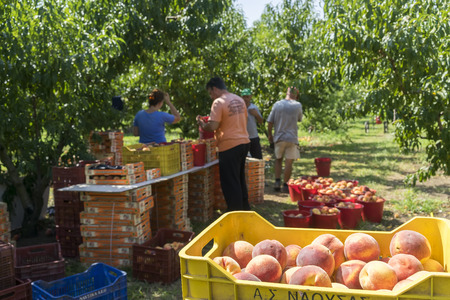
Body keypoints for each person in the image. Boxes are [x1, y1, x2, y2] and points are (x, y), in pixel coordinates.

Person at [197, 77, 251, 212]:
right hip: (244, 142)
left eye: (210, 93)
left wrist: (203, 124)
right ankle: (245, 210)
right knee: (239, 179)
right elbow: (244, 119)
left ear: (215, 89)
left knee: (230, 183)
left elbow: (213, 126)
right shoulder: (239, 99)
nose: (211, 96)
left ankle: (235, 213)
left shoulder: (218, 102)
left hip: (229, 145)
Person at [267, 86, 303, 193]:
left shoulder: (278, 104)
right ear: (296, 95)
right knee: (289, 162)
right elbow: (299, 119)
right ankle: (286, 185)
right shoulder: (297, 105)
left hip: (279, 137)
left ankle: (277, 181)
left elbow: (270, 121)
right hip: (292, 138)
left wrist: (270, 135)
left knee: (278, 159)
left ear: (286, 93)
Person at [241, 88, 264, 159]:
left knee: (257, 158)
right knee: (242, 158)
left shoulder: (254, 107)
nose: (246, 99)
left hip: (253, 136)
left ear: (250, 96)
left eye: (247, 97)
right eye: (244, 97)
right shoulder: (239, 108)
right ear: (241, 97)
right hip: (242, 137)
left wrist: (256, 114)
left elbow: (261, 121)